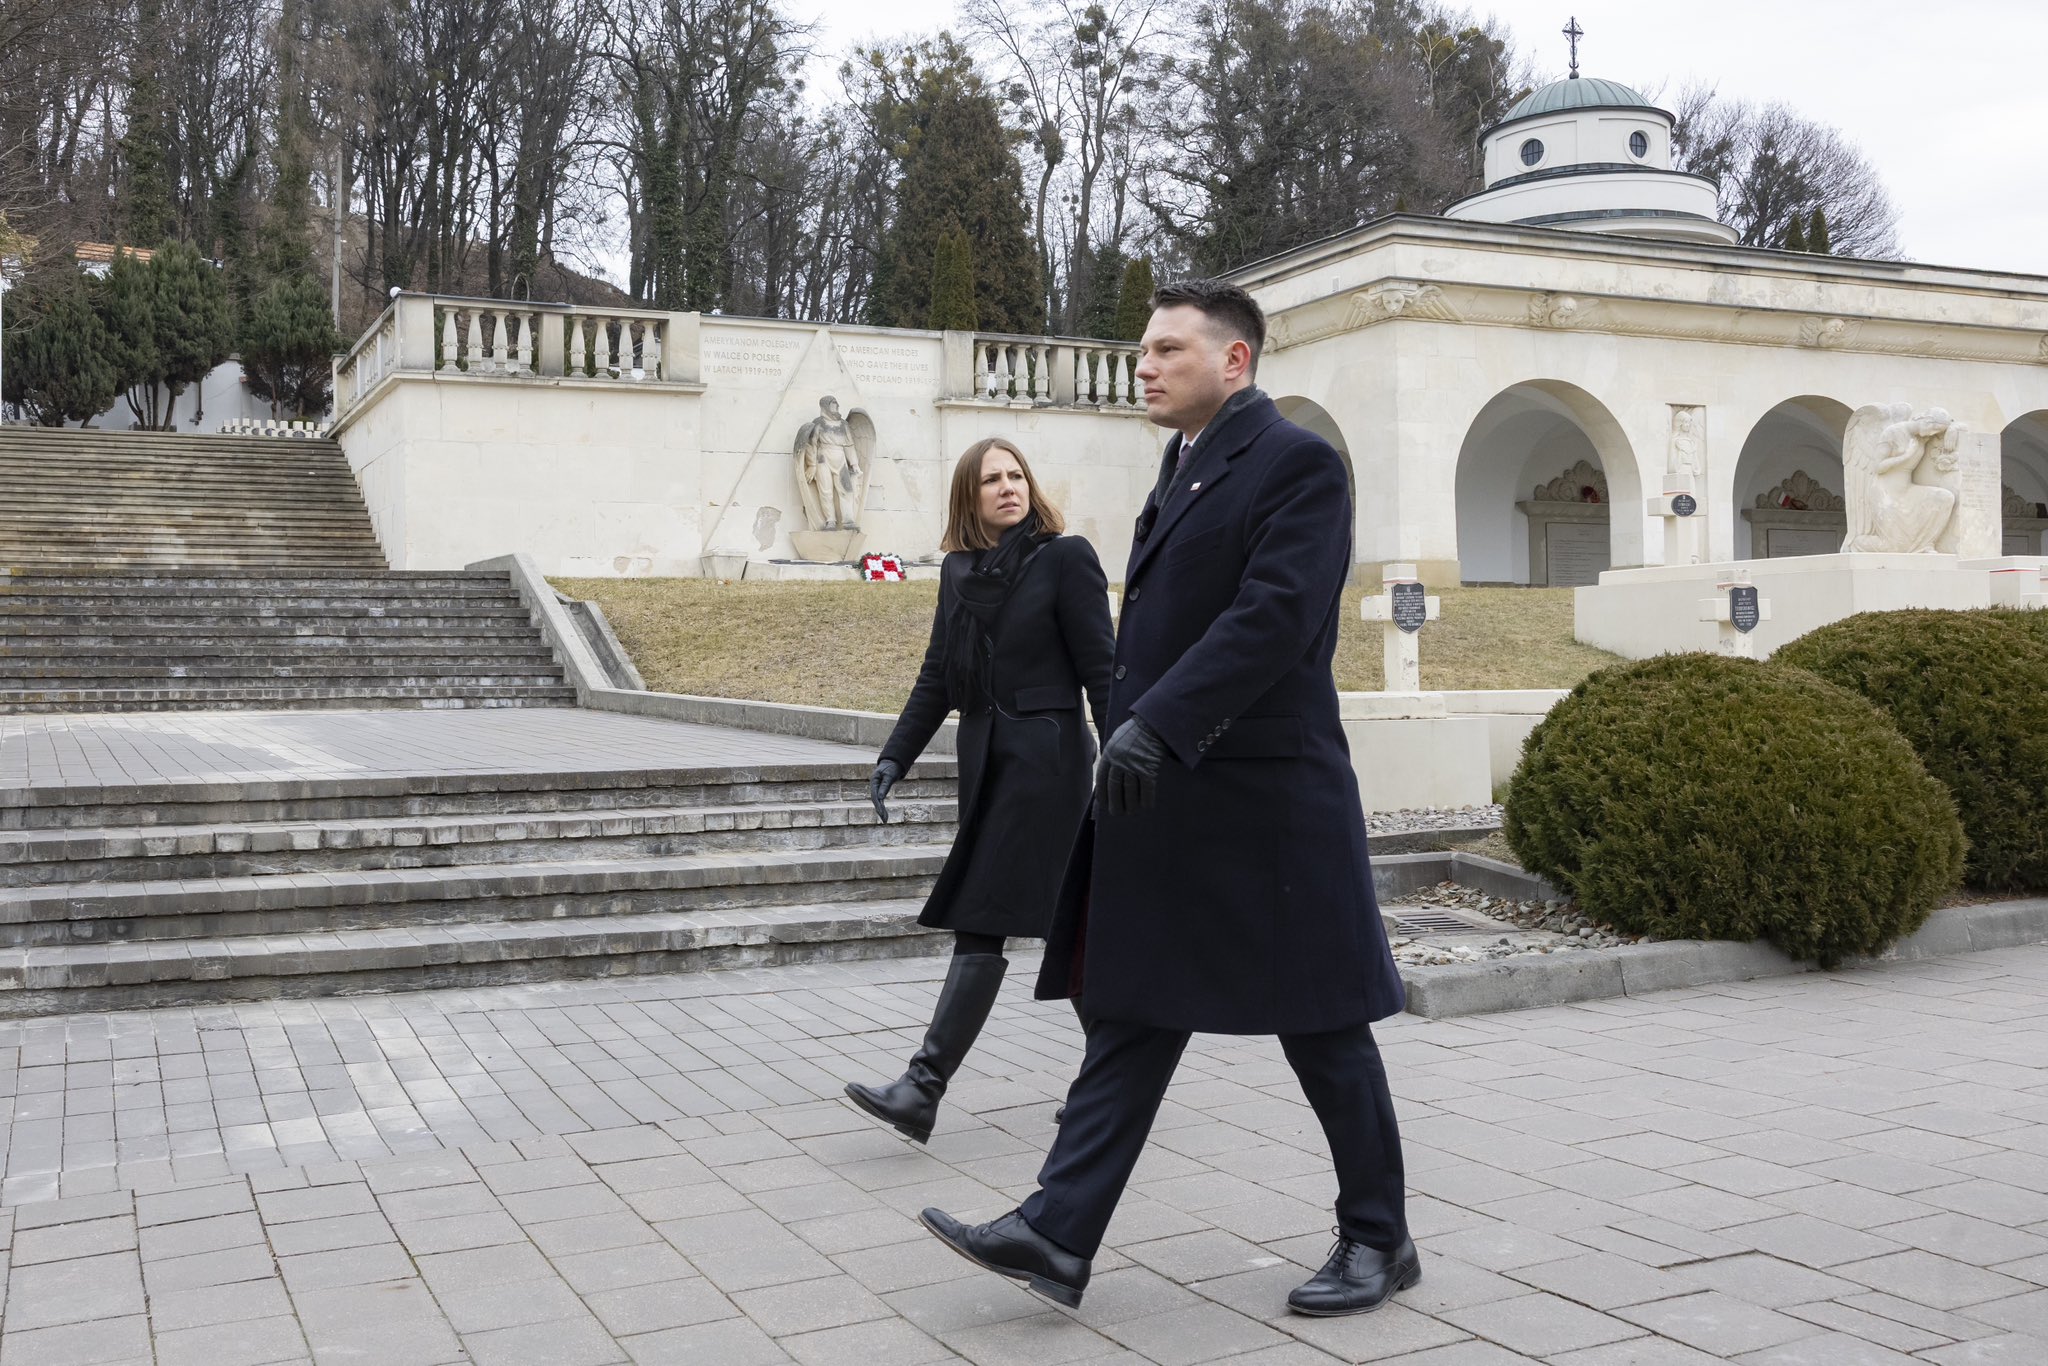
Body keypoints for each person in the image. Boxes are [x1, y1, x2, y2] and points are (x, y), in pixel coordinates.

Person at [917, 279, 1417, 1317]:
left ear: (1234, 360)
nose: (1143, 366)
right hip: (1177, 797)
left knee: (1321, 1021)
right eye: (1143, 350)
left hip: (1268, 799)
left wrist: (1155, 721)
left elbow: (1273, 615)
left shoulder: (1296, 462)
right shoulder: (1183, 462)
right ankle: (1057, 1230)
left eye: (1166, 350)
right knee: (1134, 1006)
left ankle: (1379, 1237)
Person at [845, 437, 1115, 1144]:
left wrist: (1123, 755)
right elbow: (938, 673)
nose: (1007, 487)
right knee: (1062, 925)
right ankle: (1115, 1080)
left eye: (1016, 475)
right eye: (991, 479)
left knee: (984, 916)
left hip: (1049, 768)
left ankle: (923, 1087)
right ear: (970, 496)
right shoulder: (959, 570)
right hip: (987, 766)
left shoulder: (1066, 558)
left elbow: (1102, 669)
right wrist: (895, 756)